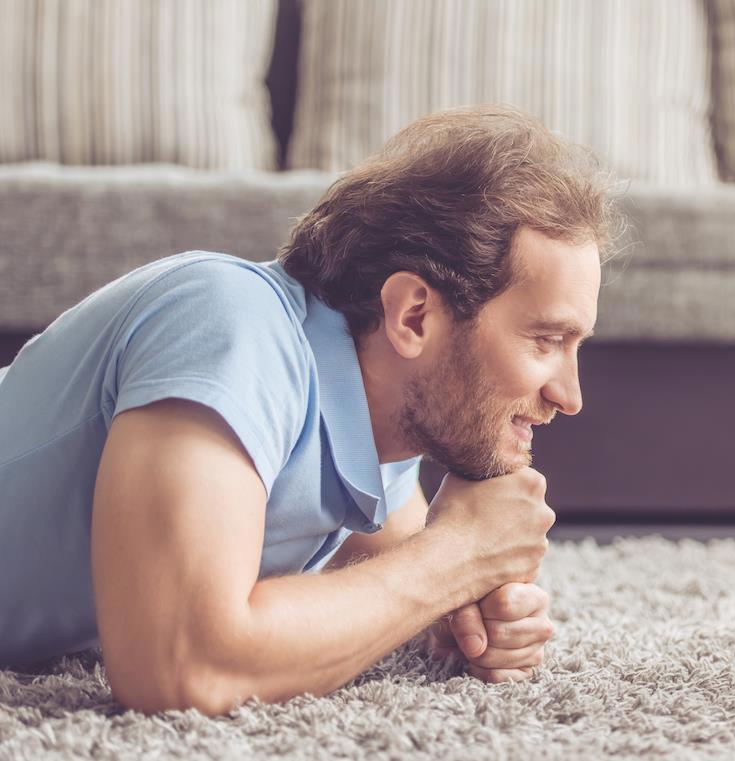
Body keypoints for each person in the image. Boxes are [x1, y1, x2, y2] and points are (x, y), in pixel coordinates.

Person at [0, 106, 618, 714]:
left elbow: (403, 571)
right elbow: (179, 665)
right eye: (545, 341)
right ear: (414, 316)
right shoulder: (228, 324)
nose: (570, 395)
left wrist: (460, 613)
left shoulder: (385, 429)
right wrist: (458, 557)